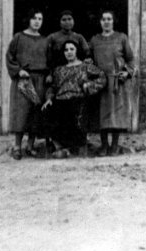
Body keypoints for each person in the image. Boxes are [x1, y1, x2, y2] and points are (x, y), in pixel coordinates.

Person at [42, 40, 106, 158]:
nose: (69, 52)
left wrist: (89, 85)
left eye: (72, 49)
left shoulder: (85, 66)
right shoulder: (59, 70)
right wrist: (49, 98)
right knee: (47, 111)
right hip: (60, 100)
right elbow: (53, 87)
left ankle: (76, 148)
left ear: (77, 51)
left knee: (76, 113)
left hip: (78, 98)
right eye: (66, 50)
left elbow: (102, 78)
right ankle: (59, 147)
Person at [89, 11, 137, 156]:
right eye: (103, 19)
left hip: (117, 82)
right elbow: (89, 60)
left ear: (113, 21)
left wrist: (127, 72)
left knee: (116, 114)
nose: (106, 22)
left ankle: (115, 145)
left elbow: (131, 60)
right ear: (100, 22)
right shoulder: (95, 40)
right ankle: (104, 146)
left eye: (109, 19)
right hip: (101, 82)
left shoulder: (121, 38)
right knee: (102, 115)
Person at [6, 9, 48, 160]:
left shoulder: (45, 40)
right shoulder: (19, 37)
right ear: (28, 20)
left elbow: (49, 60)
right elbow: (10, 57)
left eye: (40, 18)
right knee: (21, 113)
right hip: (24, 79)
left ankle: (30, 146)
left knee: (35, 113)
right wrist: (18, 71)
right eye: (34, 18)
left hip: (40, 79)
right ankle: (17, 147)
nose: (37, 21)